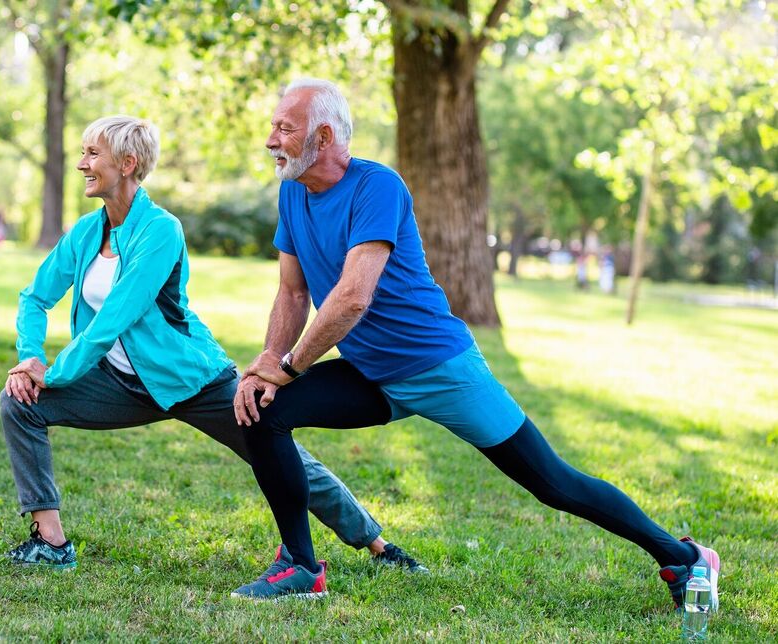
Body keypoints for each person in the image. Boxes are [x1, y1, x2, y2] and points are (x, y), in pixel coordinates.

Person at [229, 78, 720, 606]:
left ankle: (683, 556)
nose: (271, 140)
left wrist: (291, 365)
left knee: (552, 482)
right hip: (370, 374)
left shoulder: (378, 187)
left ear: (323, 137)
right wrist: (265, 367)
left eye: (285, 128)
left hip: (438, 367)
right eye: (274, 127)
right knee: (263, 411)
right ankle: (301, 566)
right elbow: (292, 289)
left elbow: (351, 298)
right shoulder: (292, 193)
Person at [0, 114, 425, 573]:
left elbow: (114, 318)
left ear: (126, 163)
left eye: (91, 153)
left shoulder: (160, 230)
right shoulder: (85, 233)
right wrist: (30, 360)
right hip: (119, 383)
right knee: (20, 403)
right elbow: (34, 298)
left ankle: (377, 544)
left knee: (280, 454)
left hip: (192, 380)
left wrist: (55, 374)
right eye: (82, 153)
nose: (82, 163)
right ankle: (51, 541)